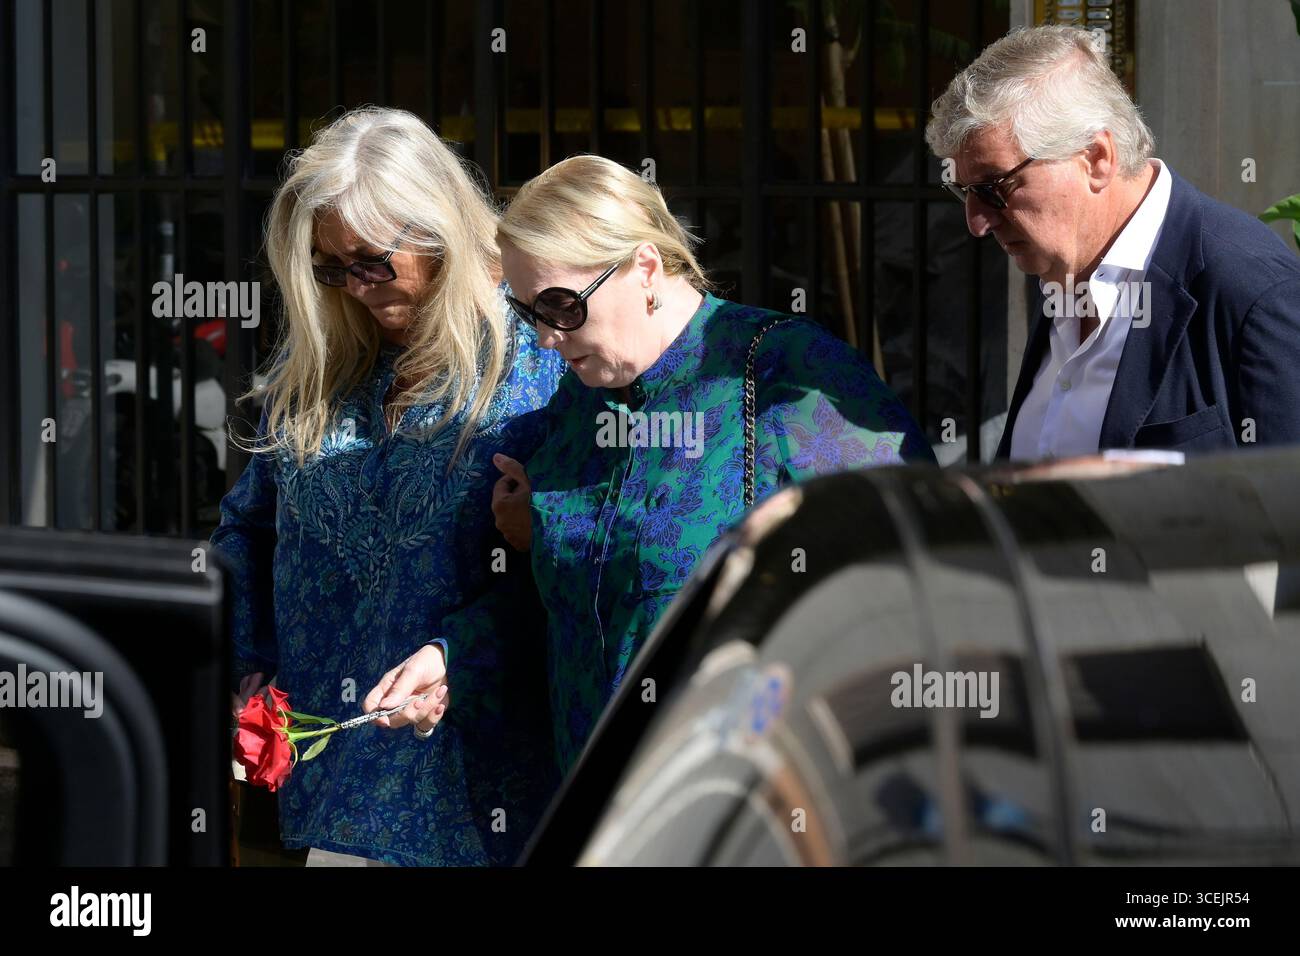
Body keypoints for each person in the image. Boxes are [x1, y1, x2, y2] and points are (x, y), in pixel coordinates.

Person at [490, 155, 935, 774]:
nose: (545, 337)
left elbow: (911, 565)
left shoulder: (785, 372)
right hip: (597, 806)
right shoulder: (578, 398)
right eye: (529, 312)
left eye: (562, 306)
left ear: (644, 267)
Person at [212, 107, 565, 866]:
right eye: (330, 269)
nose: (356, 288)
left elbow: (569, 564)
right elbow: (249, 530)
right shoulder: (323, 371)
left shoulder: (536, 363)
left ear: (437, 229)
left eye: (372, 261)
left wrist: (453, 653)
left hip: (482, 800)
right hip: (336, 790)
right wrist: (239, 666)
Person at [925, 25, 1300, 460]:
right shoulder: (1061, 259)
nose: (976, 221)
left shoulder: (1252, 291)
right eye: (964, 191)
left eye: (995, 187)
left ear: (1097, 159)